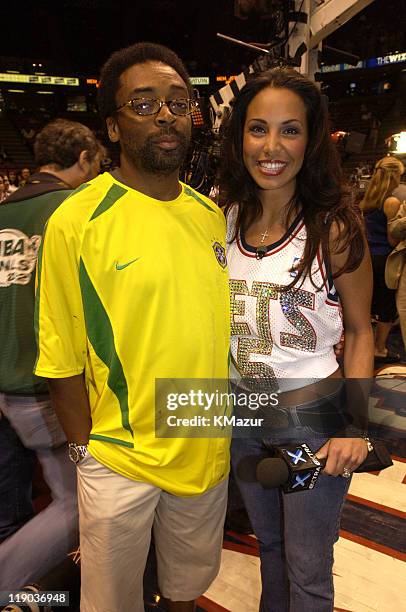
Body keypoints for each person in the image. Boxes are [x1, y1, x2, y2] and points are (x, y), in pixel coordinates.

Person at [34, 42, 230, 612]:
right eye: (143, 104)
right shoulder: (76, 220)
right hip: (119, 456)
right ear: (114, 129)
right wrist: (84, 455)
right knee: (112, 604)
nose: (165, 114)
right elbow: (60, 356)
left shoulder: (208, 214)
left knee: (186, 594)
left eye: (177, 102)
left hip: (204, 440)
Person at [220, 67, 374, 612]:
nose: (271, 145)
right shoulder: (225, 219)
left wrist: (356, 424)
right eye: (258, 128)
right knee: (271, 549)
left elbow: (359, 332)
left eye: (290, 130)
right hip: (244, 418)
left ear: (310, 140)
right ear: (240, 136)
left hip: (312, 418)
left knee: (308, 569)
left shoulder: (334, 226)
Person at [0, 118, 103, 590]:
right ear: (83, 159)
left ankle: (34, 596)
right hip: (44, 386)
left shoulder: (4, 209)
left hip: (4, 382)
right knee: (81, 504)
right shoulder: (73, 210)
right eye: (95, 164)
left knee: (12, 510)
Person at [360, 156, 404, 363]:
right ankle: (379, 349)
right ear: (394, 175)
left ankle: (367, 347)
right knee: (386, 307)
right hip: (386, 260)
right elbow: (392, 238)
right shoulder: (392, 201)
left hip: (368, 258)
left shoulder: (367, 200)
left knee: (371, 306)